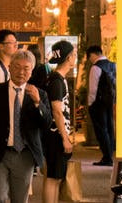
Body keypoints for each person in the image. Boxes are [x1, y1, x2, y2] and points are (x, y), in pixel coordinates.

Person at [0, 49, 52, 203]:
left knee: (20, 199)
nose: (21, 72)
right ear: (9, 68)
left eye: (26, 68)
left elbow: (46, 124)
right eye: (16, 67)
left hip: (25, 155)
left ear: (31, 71)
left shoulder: (40, 94)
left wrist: (37, 103)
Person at [42, 40, 77, 202]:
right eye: (74, 54)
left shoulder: (56, 78)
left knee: (56, 177)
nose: (75, 57)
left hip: (56, 135)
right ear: (68, 57)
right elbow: (57, 110)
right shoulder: (56, 80)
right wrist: (65, 138)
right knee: (53, 178)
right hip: (56, 136)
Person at [85, 44, 116, 167]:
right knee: (109, 128)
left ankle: (107, 157)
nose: (90, 60)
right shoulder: (113, 65)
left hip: (98, 104)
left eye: (89, 57)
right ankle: (109, 156)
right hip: (110, 102)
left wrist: (90, 104)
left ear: (93, 54)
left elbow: (93, 90)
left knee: (101, 130)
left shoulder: (96, 67)